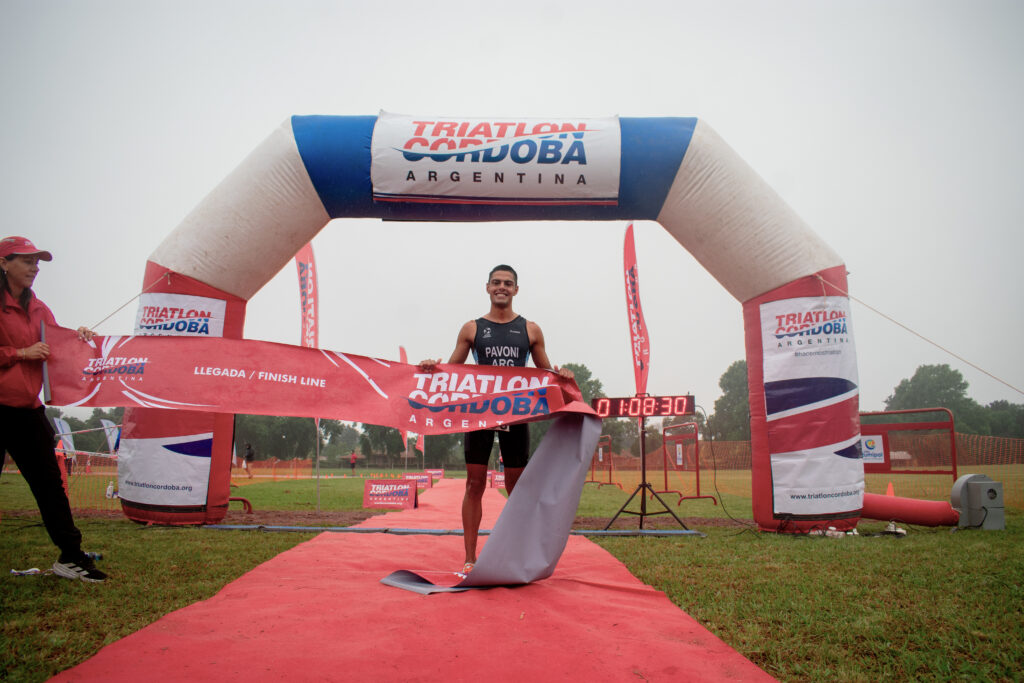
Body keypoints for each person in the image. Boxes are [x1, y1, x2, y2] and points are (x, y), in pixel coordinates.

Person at [419, 265, 573, 575]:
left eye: (508, 283)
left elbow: (548, 376)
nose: (501, 287)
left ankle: (517, 551)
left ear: (516, 290)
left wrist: (565, 376)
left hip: (517, 414)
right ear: (487, 288)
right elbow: (453, 372)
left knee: (516, 487)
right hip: (479, 415)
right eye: (496, 282)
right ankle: (470, 557)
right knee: (474, 483)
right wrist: (431, 367)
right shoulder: (471, 329)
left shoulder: (530, 330)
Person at [0, 236, 107, 582]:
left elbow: (53, 349)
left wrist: (76, 338)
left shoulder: (39, 307)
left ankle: (71, 557)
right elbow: (29, 352)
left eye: (38, 262)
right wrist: (18, 354)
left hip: (28, 411)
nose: (35, 268)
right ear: (3, 263)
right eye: (27, 261)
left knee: (50, 485)